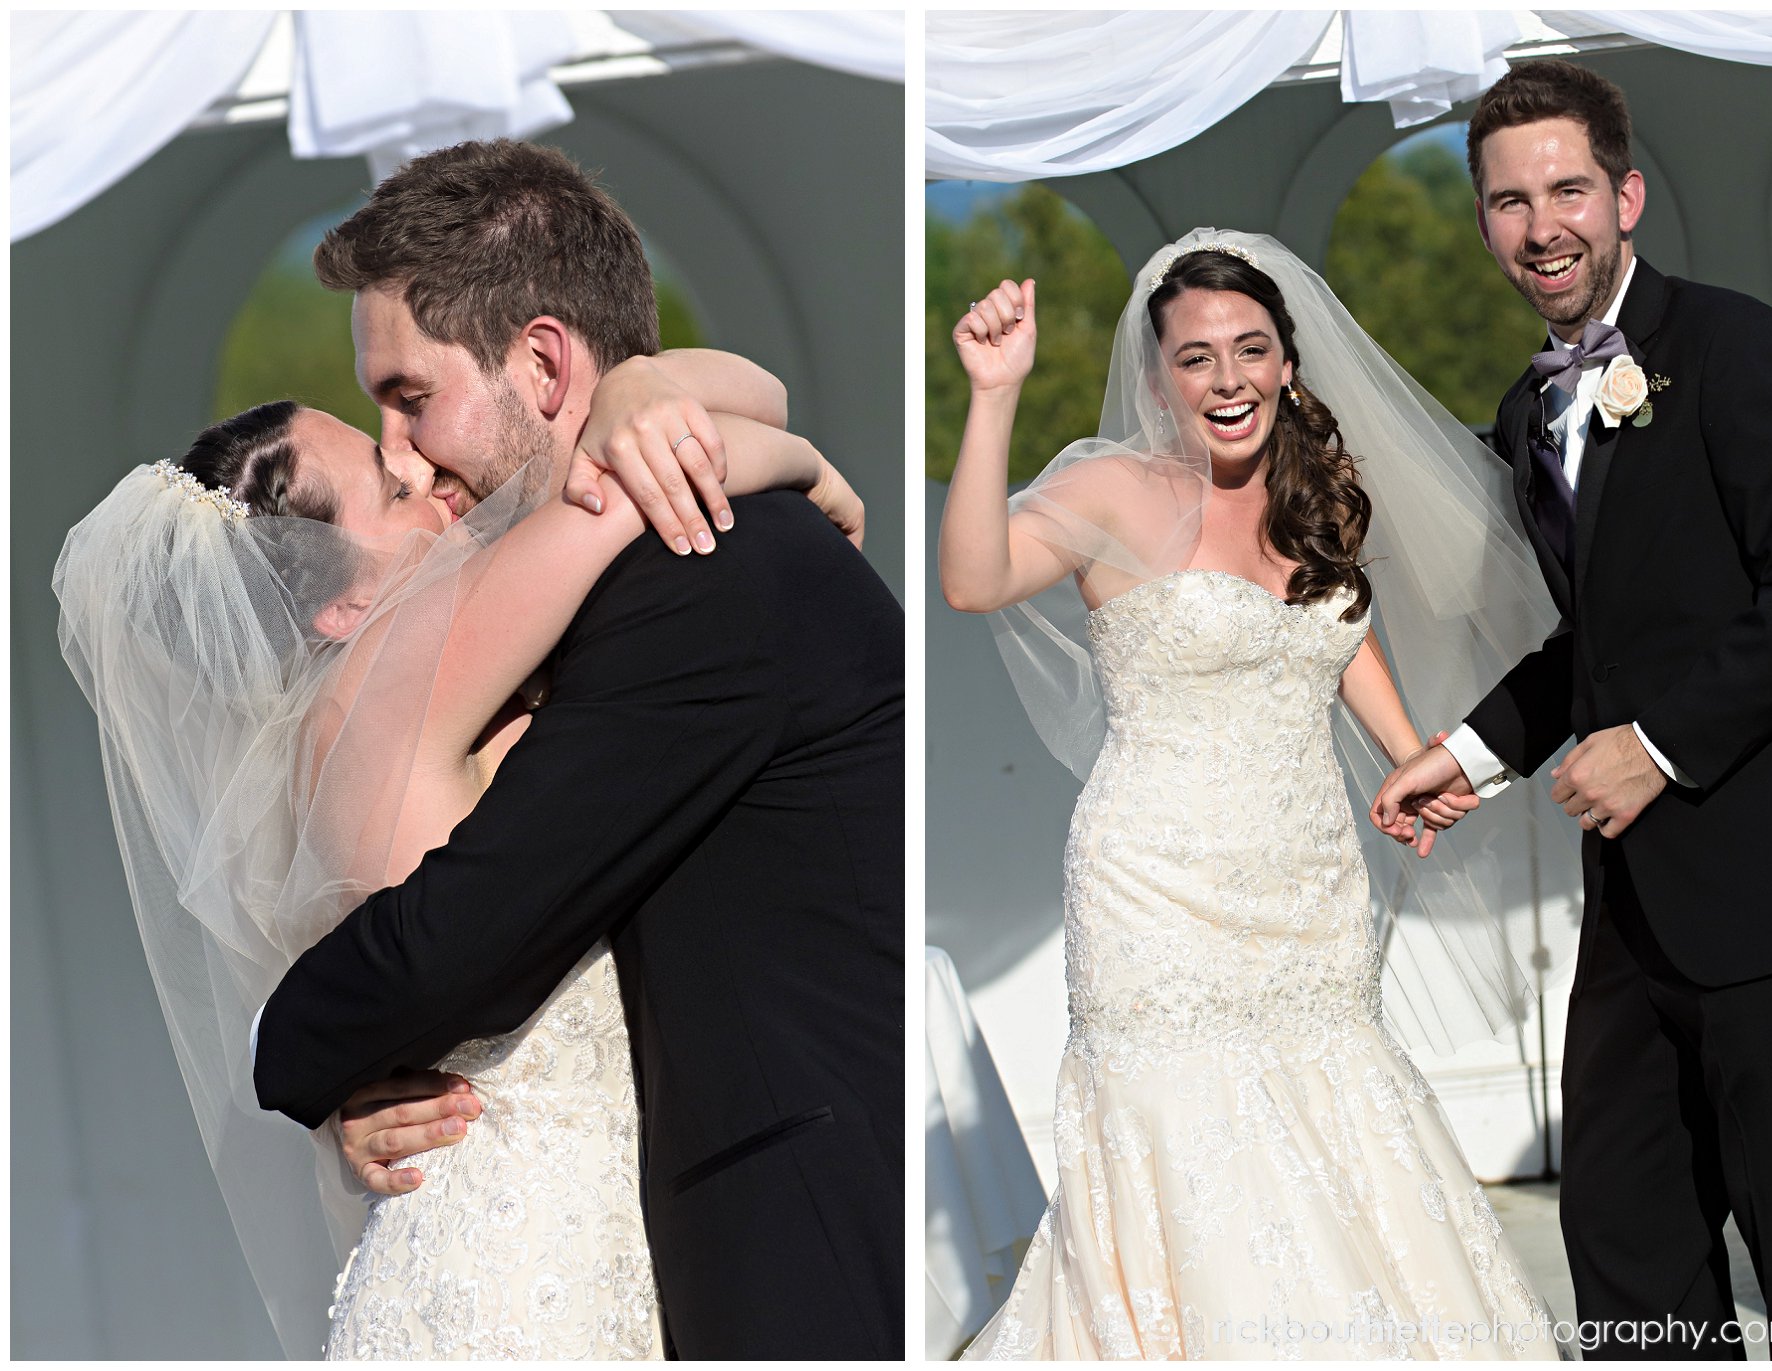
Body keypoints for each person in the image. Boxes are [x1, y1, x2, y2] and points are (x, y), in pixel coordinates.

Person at [57, 330, 862, 1359]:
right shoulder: (410, 660)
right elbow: (671, 457)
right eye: (389, 495)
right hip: (528, 1270)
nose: (423, 477)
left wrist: (643, 386)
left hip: (481, 1244)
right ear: (342, 602)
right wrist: (810, 468)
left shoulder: (316, 743)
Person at [245, 139, 904, 1359]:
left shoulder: (703, 571)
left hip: (793, 1237)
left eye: (408, 397)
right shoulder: (613, 567)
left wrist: (297, 1052)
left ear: (543, 363)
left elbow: (465, 937)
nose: (400, 451)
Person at [938, 229, 1575, 1359]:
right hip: (1157, 892)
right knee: (1186, 1138)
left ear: (1287, 363)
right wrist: (993, 398)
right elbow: (974, 579)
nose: (1227, 379)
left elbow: (1336, 637)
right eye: (1195, 358)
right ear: (1156, 379)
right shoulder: (1110, 491)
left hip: (1308, 885)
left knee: (1337, 1117)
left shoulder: (1311, 496)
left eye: (1250, 350)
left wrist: (1410, 761)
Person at [1374, 60, 1772, 1358]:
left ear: (1623, 194)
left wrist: (1660, 748)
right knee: (1624, 1244)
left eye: (1566, 187)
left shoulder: (1732, 347)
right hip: (1628, 914)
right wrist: (1456, 755)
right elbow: (1589, 648)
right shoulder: (1526, 412)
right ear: (1481, 223)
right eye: (1508, 200)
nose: (1540, 224)